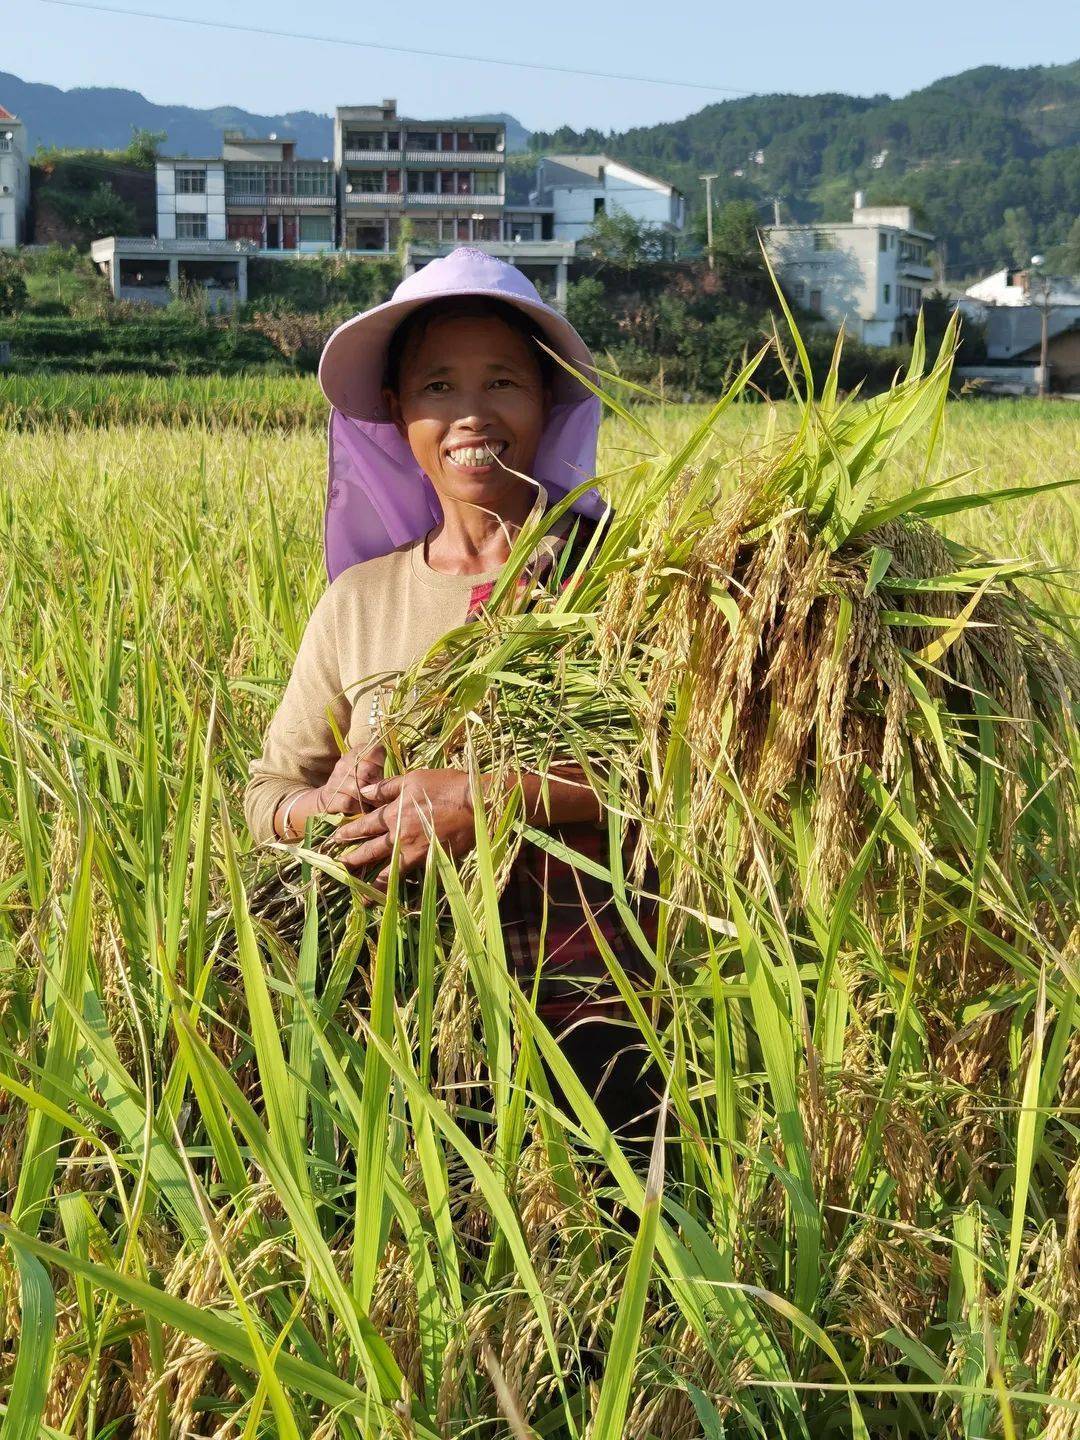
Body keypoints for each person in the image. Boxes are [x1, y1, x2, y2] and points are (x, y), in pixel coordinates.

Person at [244, 247, 657, 1159]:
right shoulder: (361, 598)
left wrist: (491, 799)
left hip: (600, 1008)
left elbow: (691, 776)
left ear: (547, 401)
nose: (471, 412)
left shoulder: (620, 577)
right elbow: (270, 789)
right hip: (404, 1005)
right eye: (438, 385)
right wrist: (326, 807)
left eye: (503, 380)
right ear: (399, 412)